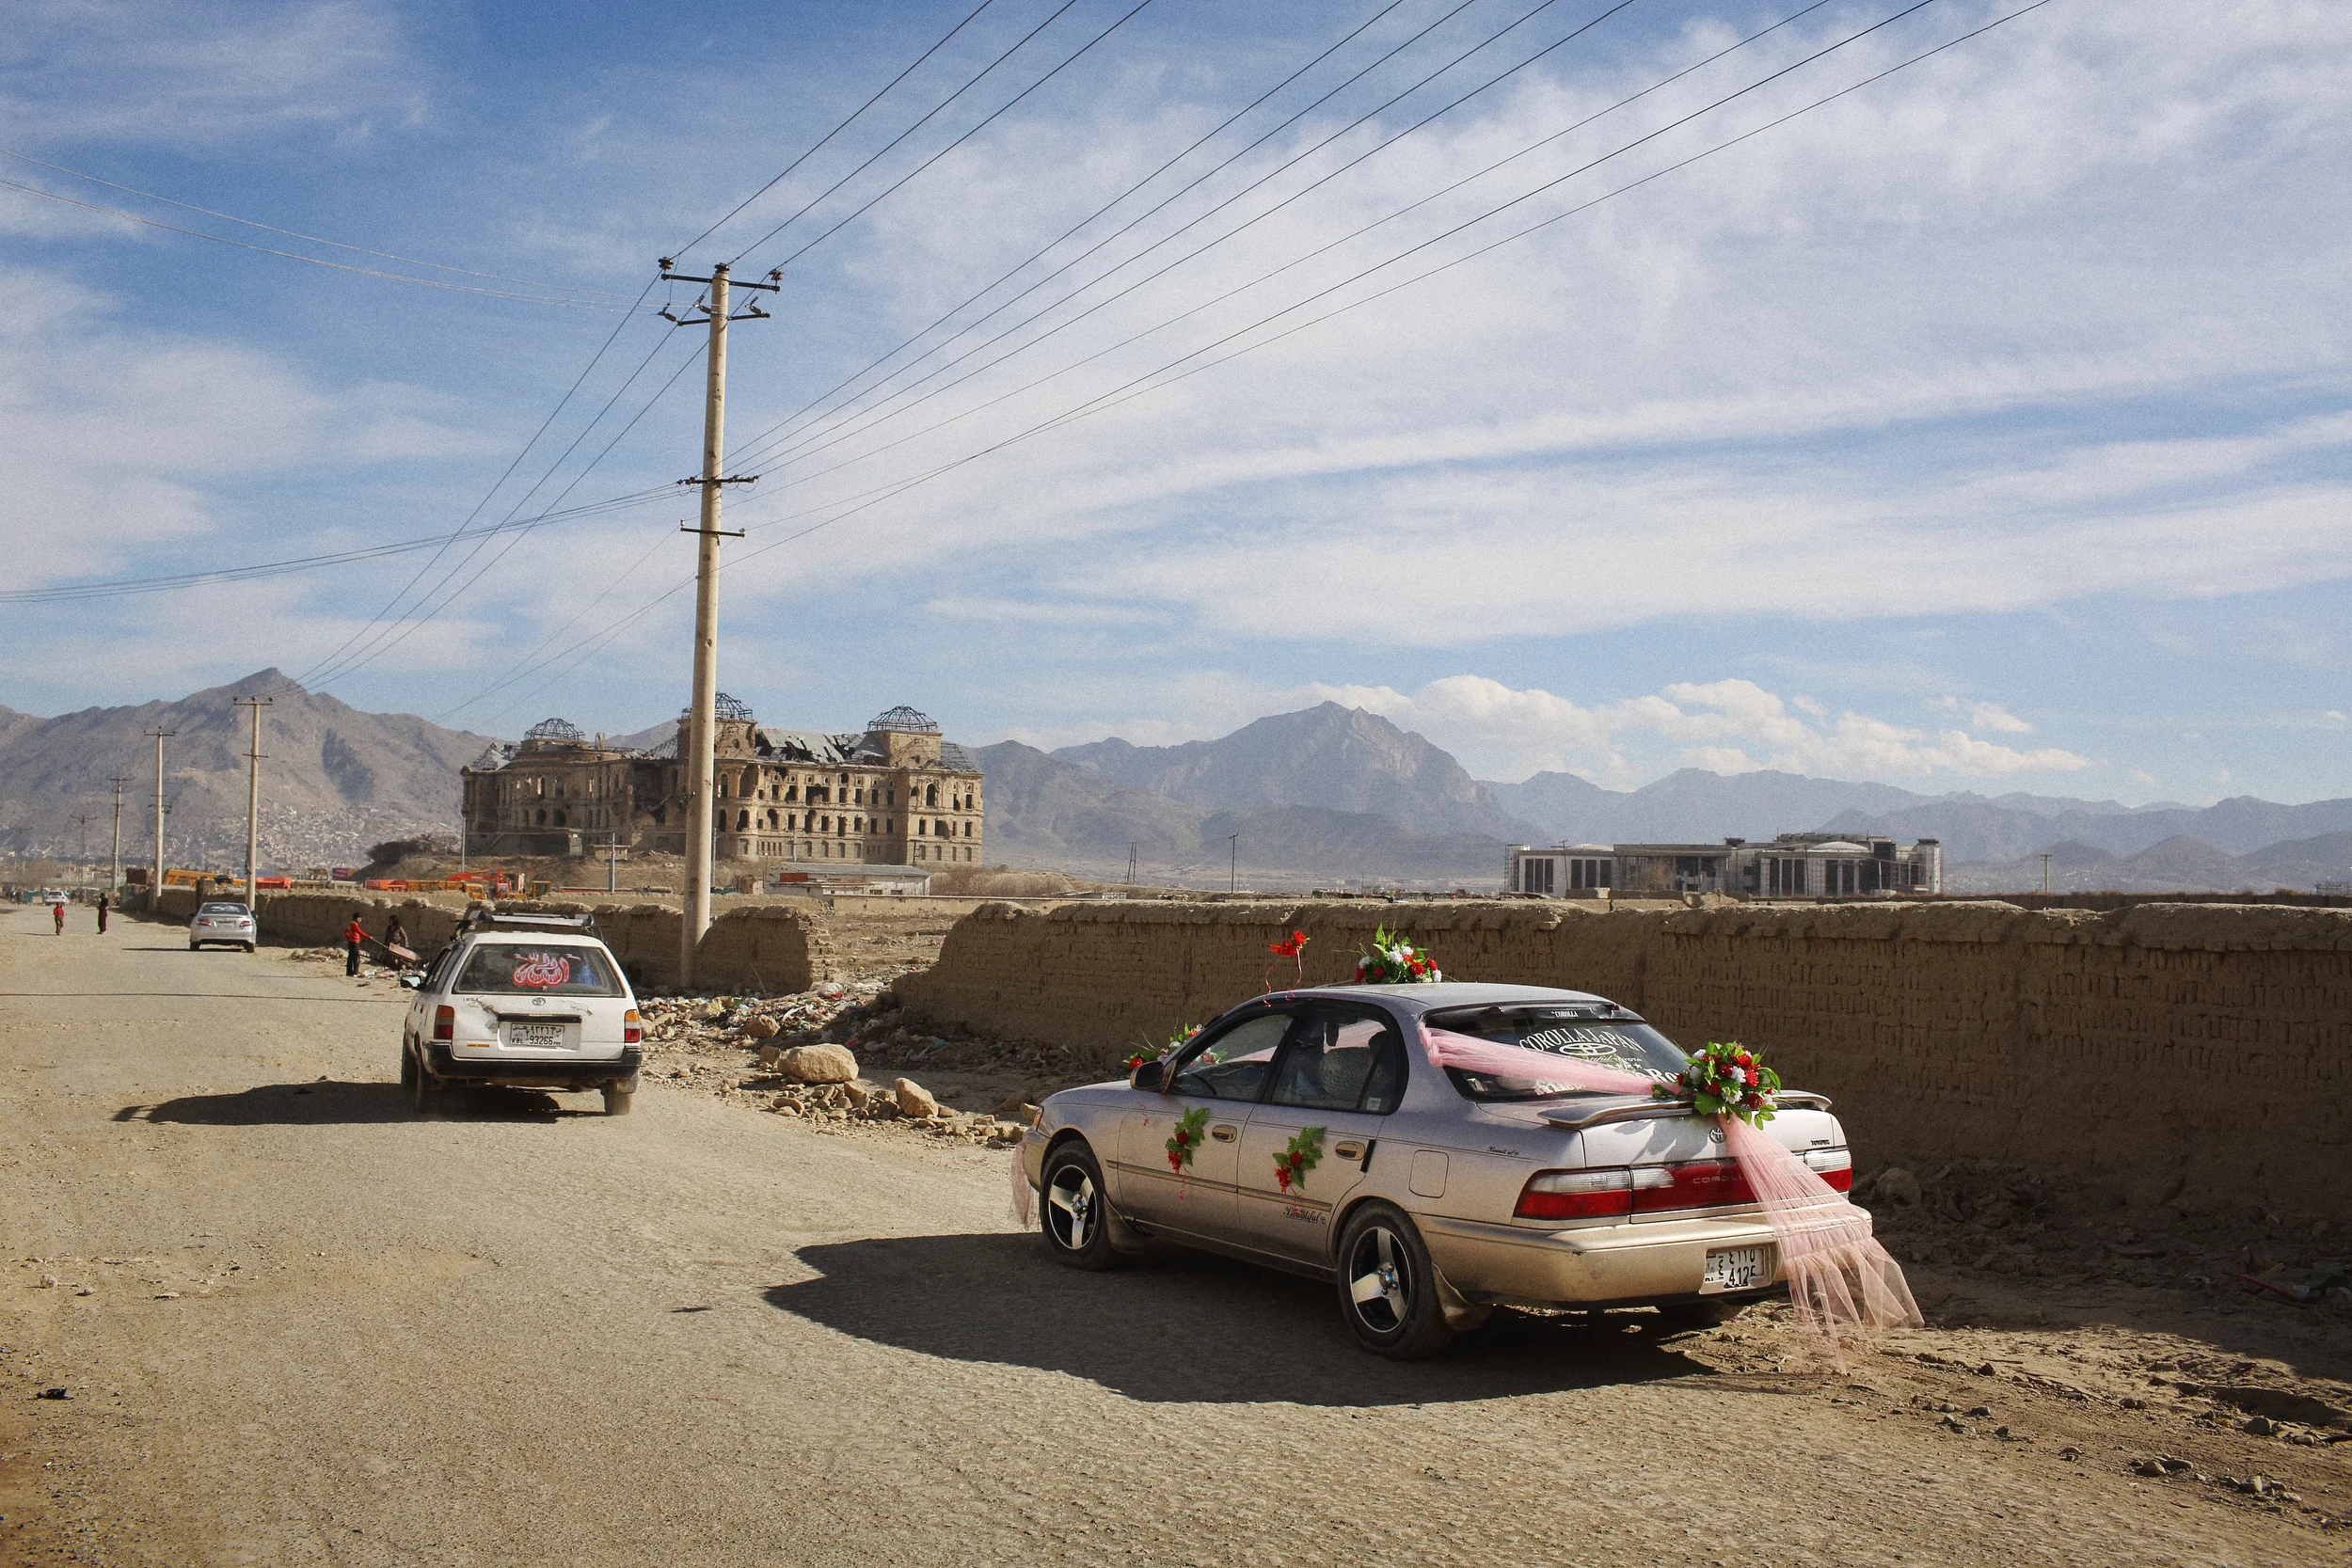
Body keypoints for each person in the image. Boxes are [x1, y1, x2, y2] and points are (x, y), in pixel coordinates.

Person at [344, 911, 368, 977]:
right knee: (355, 957)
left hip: (352, 942)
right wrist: (368, 937)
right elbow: (359, 931)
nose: (361, 920)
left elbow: (346, 932)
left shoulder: (351, 924)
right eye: (360, 918)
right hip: (354, 943)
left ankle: (349, 972)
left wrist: (349, 938)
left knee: (351, 957)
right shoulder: (354, 924)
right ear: (358, 918)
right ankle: (355, 972)